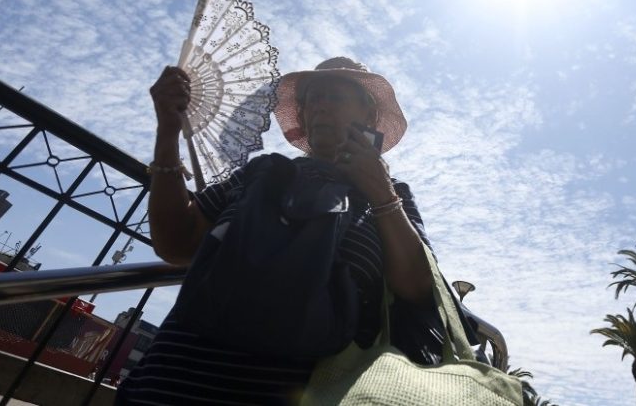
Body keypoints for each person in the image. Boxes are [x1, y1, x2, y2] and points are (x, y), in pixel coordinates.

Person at [115, 57, 436, 405]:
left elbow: (417, 287)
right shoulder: (261, 173)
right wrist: (168, 132)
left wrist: (381, 193)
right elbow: (175, 244)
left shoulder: (392, 195)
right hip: (170, 381)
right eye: (312, 97)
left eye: (336, 95)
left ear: (369, 116)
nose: (320, 105)